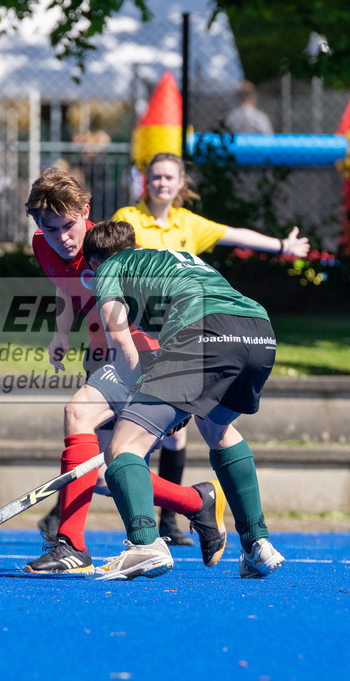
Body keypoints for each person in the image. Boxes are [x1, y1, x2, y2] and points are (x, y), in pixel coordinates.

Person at [21, 167, 226, 575]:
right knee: (99, 472)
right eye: (51, 227)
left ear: (86, 211)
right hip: (108, 357)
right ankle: (195, 502)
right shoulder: (44, 246)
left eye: (69, 225)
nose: (63, 238)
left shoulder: (112, 250)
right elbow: (66, 288)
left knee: (82, 419)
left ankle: (72, 546)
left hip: (146, 353)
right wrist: (62, 334)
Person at [112, 151, 309, 542]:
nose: (162, 184)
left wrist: (281, 246)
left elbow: (235, 234)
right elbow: (111, 261)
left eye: (169, 177)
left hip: (191, 334)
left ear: (180, 183)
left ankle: (162, 526)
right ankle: (250, 538)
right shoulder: (128, 219)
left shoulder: (189, 224)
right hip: (158, 332)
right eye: (155, 177)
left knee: (151, 438)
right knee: (193, 426)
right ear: (145, 182)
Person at [82, 220, 284, 580]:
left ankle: (145, 545)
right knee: (218, 426)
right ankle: (257, 544)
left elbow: (120, 341)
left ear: (94, 263)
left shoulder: (108, 268)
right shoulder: (173, 259)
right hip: (258, 331)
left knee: (123, 444)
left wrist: (135, 409)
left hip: (206, 332)